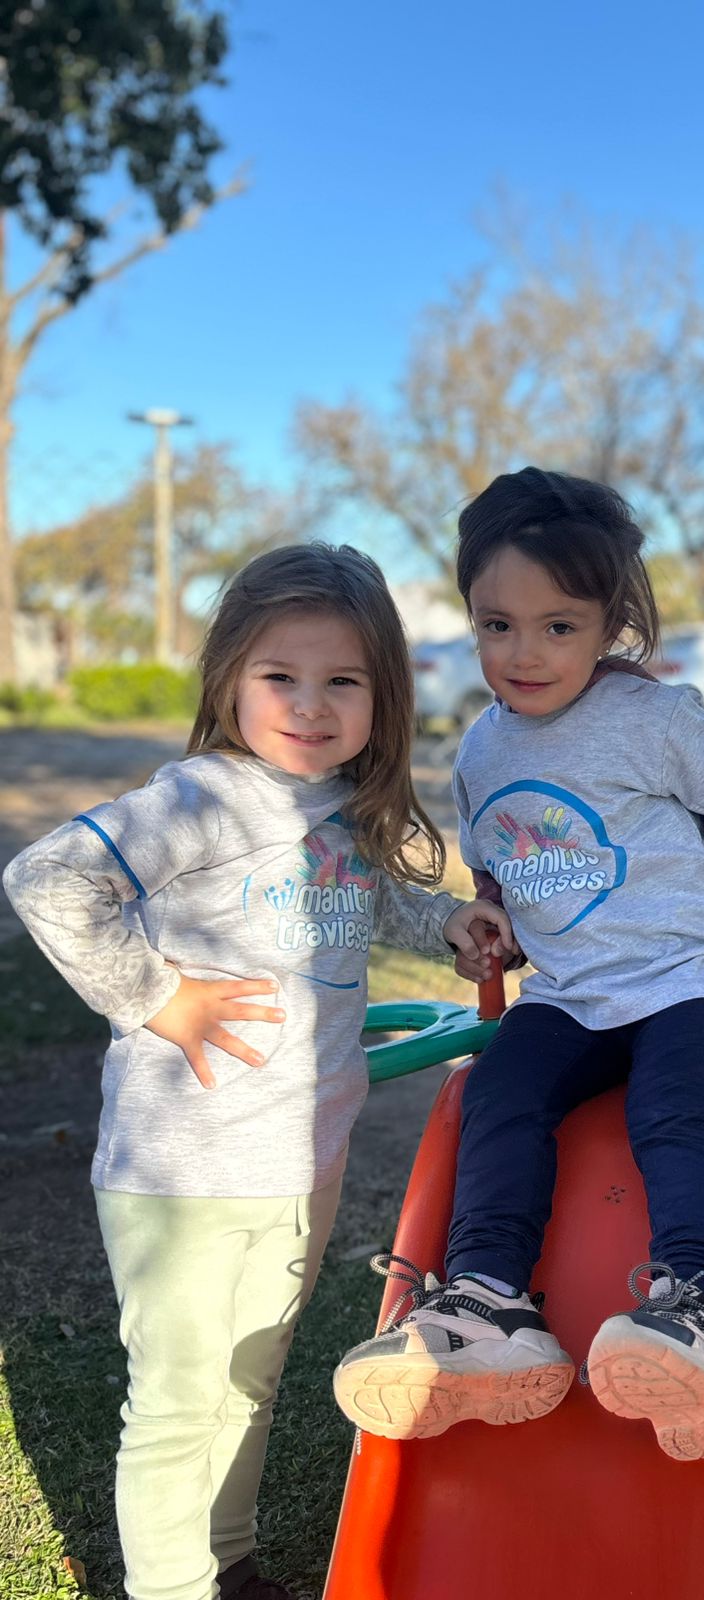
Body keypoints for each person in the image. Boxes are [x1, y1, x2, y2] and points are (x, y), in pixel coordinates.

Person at [2, 544, 512, 1600]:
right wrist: (158, 996)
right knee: (178, 1402)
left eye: (344, 680)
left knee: (251, 1378)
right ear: (229, 676)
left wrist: (449, 922)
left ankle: (225, 1562)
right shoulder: (201, 799)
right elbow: (49, 878)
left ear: (383, 695)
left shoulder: (339, 804)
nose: (311, 705)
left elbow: (373, 898)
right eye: (281, 675)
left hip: (300, 1157)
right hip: (187, 1168)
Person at [333, 466, 704, 1462]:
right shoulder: (481, 749)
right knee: (498, 1092)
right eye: (496, 624)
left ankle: (697, 1312)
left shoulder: (652, 717)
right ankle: (491, 1302)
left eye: (559, 626)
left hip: (684, 975)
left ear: (611, 623)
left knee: (672, 1112)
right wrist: (494, 916)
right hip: (568, 991)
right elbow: (501, 855)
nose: (524, 652)